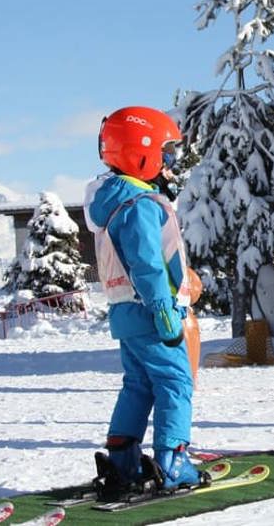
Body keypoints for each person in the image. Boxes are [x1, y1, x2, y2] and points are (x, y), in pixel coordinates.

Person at [84, 106, 208, 497]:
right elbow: (147, 261)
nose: (170, 161)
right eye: (166, 152)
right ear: (142, 151)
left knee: (138, 384)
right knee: (174, 381)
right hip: (151, 310)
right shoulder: (139, 204)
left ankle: (122, 458)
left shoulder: (112, 202)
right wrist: (162, 307)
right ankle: (173, 461)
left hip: (126, 310)